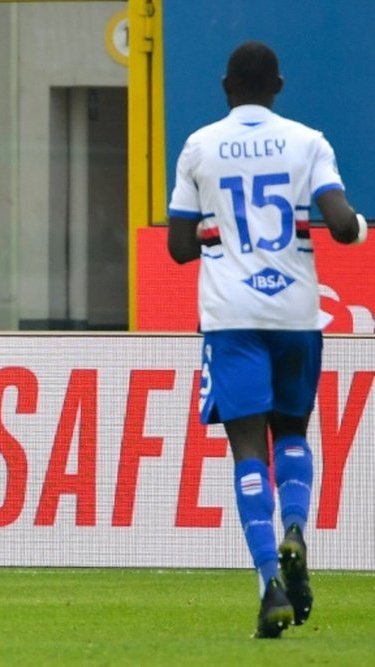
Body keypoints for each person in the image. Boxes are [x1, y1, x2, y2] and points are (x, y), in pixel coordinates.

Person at [167, 41, 366, 639]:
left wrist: (214, 236)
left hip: (231, 314)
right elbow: (339, 222)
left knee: (247, 447)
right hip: (295, 312)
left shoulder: (201, 144)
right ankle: (296, 529)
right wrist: (354, 230)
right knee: (294, 432)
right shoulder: (309, 141)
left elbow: (178, 248)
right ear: (278, 85)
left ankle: (267, 583)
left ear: (225, 87)